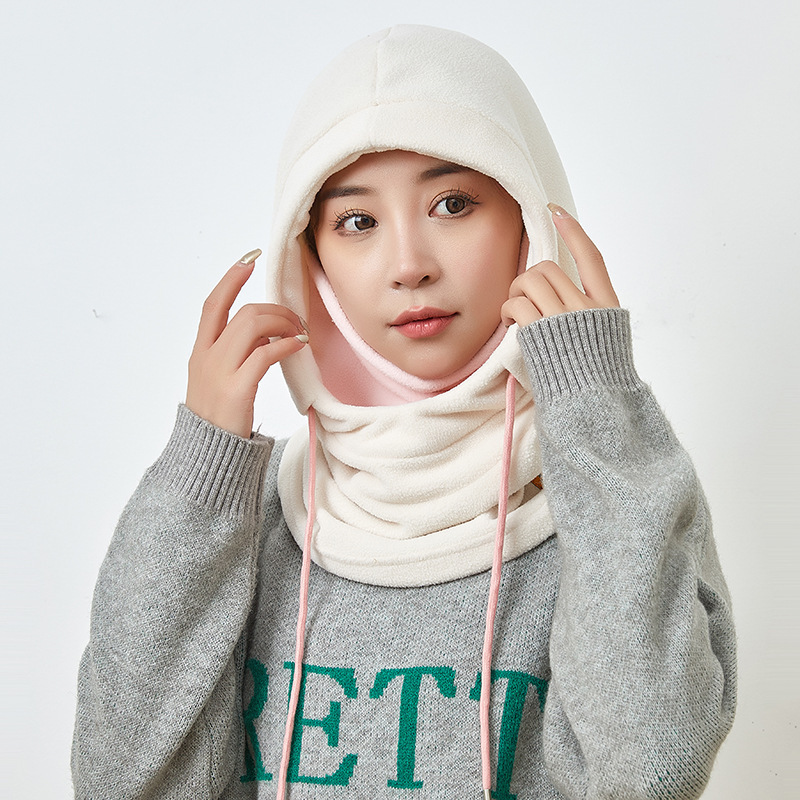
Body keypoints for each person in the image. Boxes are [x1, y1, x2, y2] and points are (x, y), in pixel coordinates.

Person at [71, 24, 736, 800]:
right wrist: (200, 470)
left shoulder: (611, 491)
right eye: (357, 221)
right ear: (309, 259)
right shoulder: (250, 518)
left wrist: (598, 412)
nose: (410, 264)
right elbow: (124, 784)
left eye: (453, 203)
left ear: (531, 223)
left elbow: (649, 777)